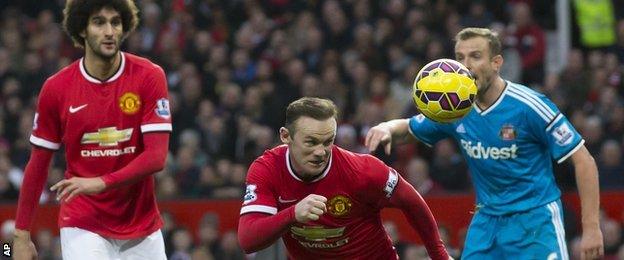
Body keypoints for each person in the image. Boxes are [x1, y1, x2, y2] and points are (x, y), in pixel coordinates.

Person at [366, 27, 603, 260]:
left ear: (496, 63)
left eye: (475, 56)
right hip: (487, 223)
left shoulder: (530, 106)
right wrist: (387, 127)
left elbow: (584, 160)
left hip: (535, 222)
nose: (465, 65)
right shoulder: (456, 108)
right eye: (460, 57)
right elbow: (409, 128)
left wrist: (591, 228)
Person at [13, 1, 171, 259]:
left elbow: (156, 157)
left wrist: (100, 183)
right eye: (99, 22)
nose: (109, 31)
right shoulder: (57, 88)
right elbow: (38, 164)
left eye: (115, 22)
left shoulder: (149, 76)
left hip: (141, 224)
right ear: (82, 29)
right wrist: (20, 236)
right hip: (82, 221)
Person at [237, 97, 450, 260]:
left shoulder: (363, 170)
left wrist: (439, 255)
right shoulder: (267, 170)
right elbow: (248, 240)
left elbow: (411, 201)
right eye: (311, 142)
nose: (321, 152)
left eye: (328, 141)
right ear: (286, 136)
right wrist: (293, 214)